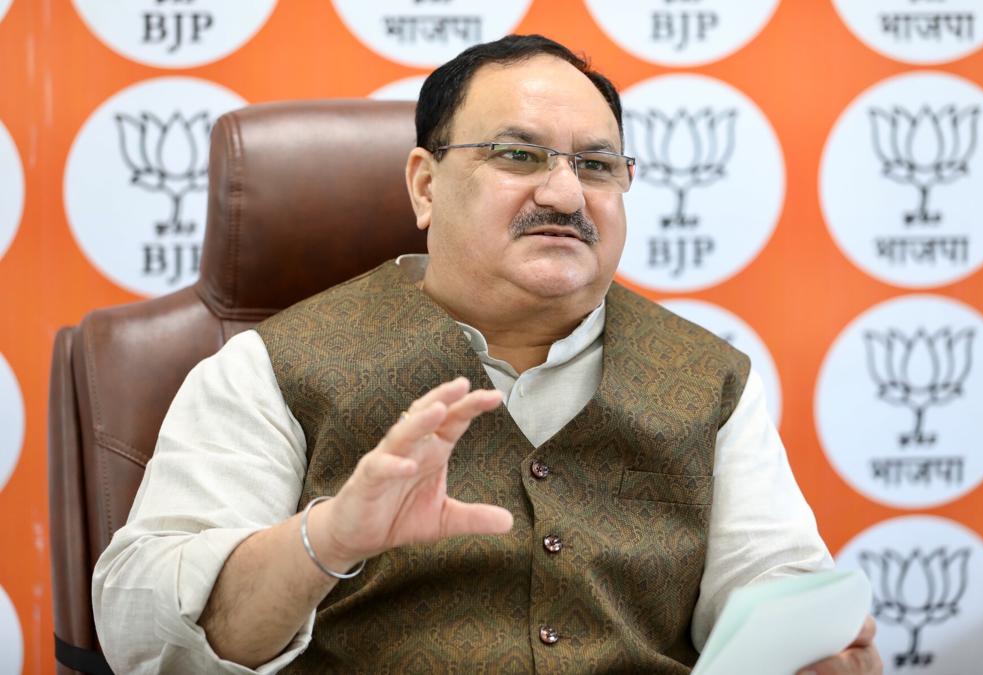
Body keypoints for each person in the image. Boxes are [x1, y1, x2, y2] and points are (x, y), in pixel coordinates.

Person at [92, 34, 880, 674]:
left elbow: (771, 587)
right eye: (518, 155)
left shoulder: (710, 379)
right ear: (425, 185)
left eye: (597, 165)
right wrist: (326, 540)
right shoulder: (270, 365)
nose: (567, 196)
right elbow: (141, 626)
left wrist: (812, 652)